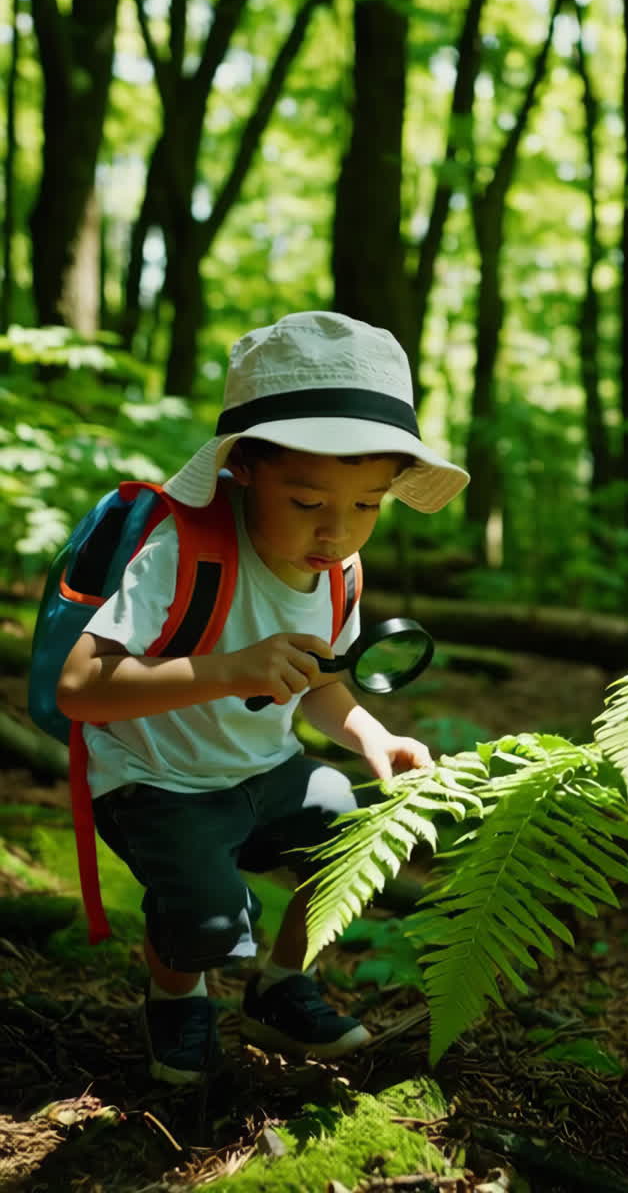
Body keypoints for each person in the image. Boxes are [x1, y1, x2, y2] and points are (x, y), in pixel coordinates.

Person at [57, 311, 469, 1084]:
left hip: (262, 769)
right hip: (157, 783)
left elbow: (321, 684)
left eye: (369, 505)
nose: (338, 531)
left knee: (352, 841)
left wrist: (372, 740)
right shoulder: (186, 553)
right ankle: (177, 999)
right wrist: (228, 670)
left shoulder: (339, 575)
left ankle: (283, 986)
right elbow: (80, 689)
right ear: (244, 468)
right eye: (310, 503)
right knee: (211, 922)